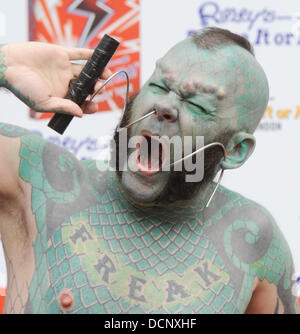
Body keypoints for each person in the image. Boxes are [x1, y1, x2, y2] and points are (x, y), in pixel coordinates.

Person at [0, 28, 298, 314]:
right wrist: (4, 65)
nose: (165, 105)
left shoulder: (256, 240)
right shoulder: (35, 179)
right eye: (158, 86)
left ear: (234, 151)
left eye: (198, 104)